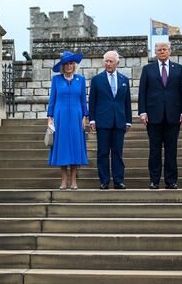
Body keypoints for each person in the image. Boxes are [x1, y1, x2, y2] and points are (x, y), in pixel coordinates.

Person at [138, 42, 182, 189]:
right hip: (153, 116)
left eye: (164, 49)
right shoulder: (148, 69)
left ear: (169, 51)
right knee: (154, 151)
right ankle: (154, 180)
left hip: (173, 116)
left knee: (171, 151)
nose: (162, 52)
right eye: (159, 50)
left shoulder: (178, 69)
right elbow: (142, 92)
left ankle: (171, 181)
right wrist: (142, 112)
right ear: (155, 52)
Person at [88, 50, 132, 189]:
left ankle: (118, 180)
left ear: (117, 63)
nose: (108, 64)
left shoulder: (124, 80)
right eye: (106, 61)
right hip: (103, 121)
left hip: (119, 121)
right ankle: (104, 180)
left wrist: (128, 120)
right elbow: (92, 101)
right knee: (103, 152)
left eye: (111, 61)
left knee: (118, 152)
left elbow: (127, 102)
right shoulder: (96, 80)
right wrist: (92, 119)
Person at [47, 51, 89, 190]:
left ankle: (74, 181)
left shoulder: (80, 80)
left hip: (77, 117)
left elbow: (83, 100)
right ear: (62, 66)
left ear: (74, 65)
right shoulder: (56, 80)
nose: (69, 66)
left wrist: (84, 116)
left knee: (75, 147)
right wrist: (49, 118)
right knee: (63, 148)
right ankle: (64, 181)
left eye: (71, 63)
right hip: (60, 117)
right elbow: (52, 100)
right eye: (66, 64)